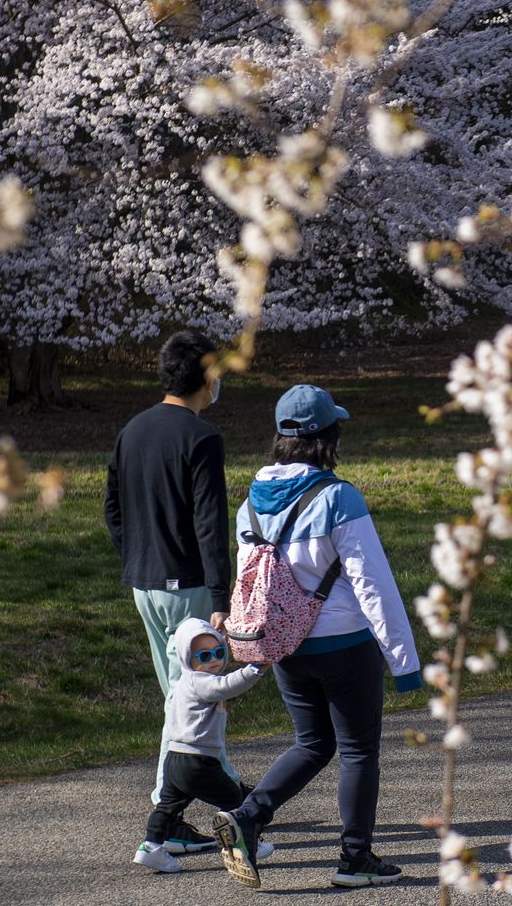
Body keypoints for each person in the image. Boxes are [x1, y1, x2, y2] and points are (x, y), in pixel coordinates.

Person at [212, 384, 422, 889]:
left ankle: (248, 815)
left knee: (312, 742)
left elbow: (249, 579)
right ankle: (355, 859)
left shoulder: (251, 502)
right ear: (328, 436)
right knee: (357, 749)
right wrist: (404, 661)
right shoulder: (338, 498)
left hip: (284, 644)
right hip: (345, 644)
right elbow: (374, 585)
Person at [105, 331, 239, 855]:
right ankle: (168, 818)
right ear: (206, 375)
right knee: (198, 705)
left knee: (181, 700)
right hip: (190, 589)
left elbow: (112, 509)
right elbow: (210, 523)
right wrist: (222, 597)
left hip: (145, 584)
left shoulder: (132, 430)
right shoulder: (201, 437)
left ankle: (224, 800)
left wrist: (136, 556)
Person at [131, 620, 278, 877]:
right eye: (204, 656)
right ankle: (245, 844)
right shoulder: (200, 681)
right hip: (197, 761)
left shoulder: (182, 685)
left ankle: (151, 846)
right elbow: (227, 686)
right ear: (187, 659)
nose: (214, 661)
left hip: (176, 760)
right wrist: (256, 668)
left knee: (168, 806)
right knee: (236, 800)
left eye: (219, 653)